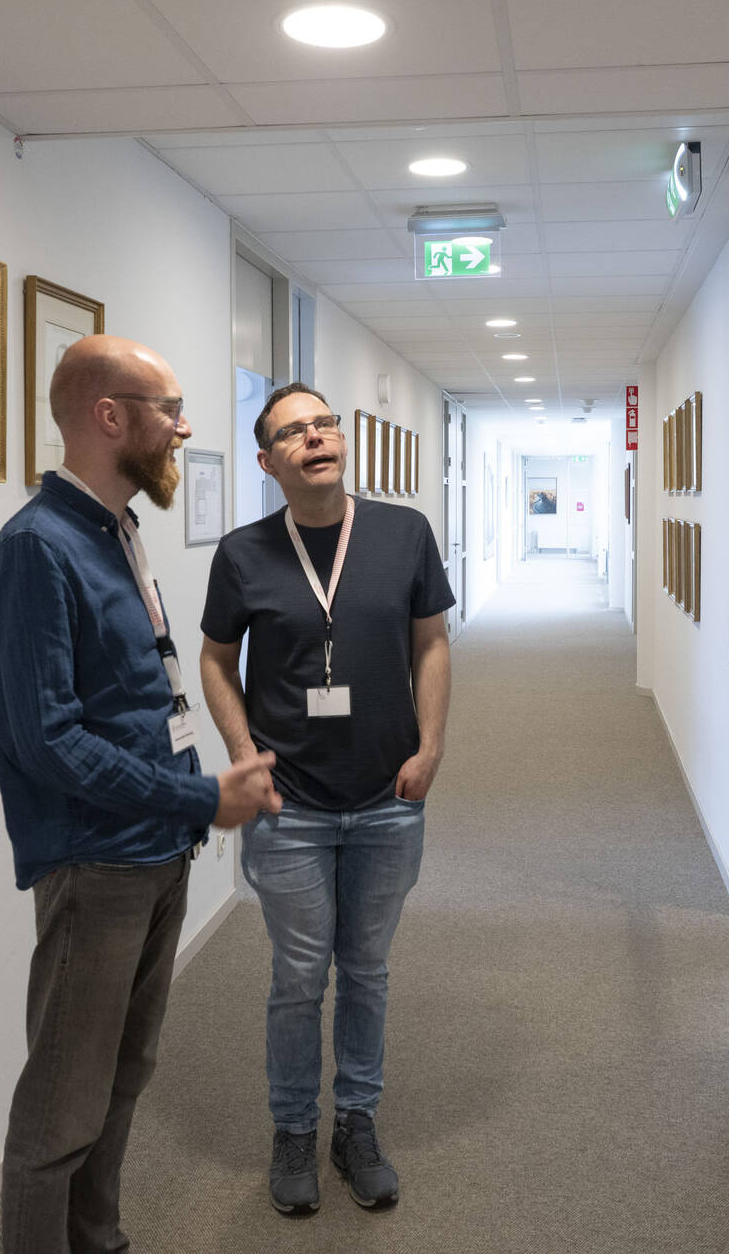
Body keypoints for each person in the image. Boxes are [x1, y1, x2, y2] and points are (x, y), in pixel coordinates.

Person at [0, 334, 281, 1254]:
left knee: (123, 1074)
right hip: (96, 863)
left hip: (154, 851)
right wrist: (201, 800)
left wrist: (187, 808)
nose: (185, 428)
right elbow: (50, 742)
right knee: (59, 1110)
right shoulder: (37, 547)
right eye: (170, 409)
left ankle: (98, 1240)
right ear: (109, 416)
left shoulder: (114, 527)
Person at [200, 382, 453, 1215]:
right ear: (267, 461)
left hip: (388, 797)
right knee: (300, 976)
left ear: (341, 441)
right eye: (293, 432)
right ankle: (292, 1130)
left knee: (368, 970)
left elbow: (431, 642)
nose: (315, 439)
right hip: (291, 806)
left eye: (324, 424)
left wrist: (430, 746)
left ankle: (356, 1124)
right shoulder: (242, 554)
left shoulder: (404, 534)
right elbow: (215, 659)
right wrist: (245, 758)